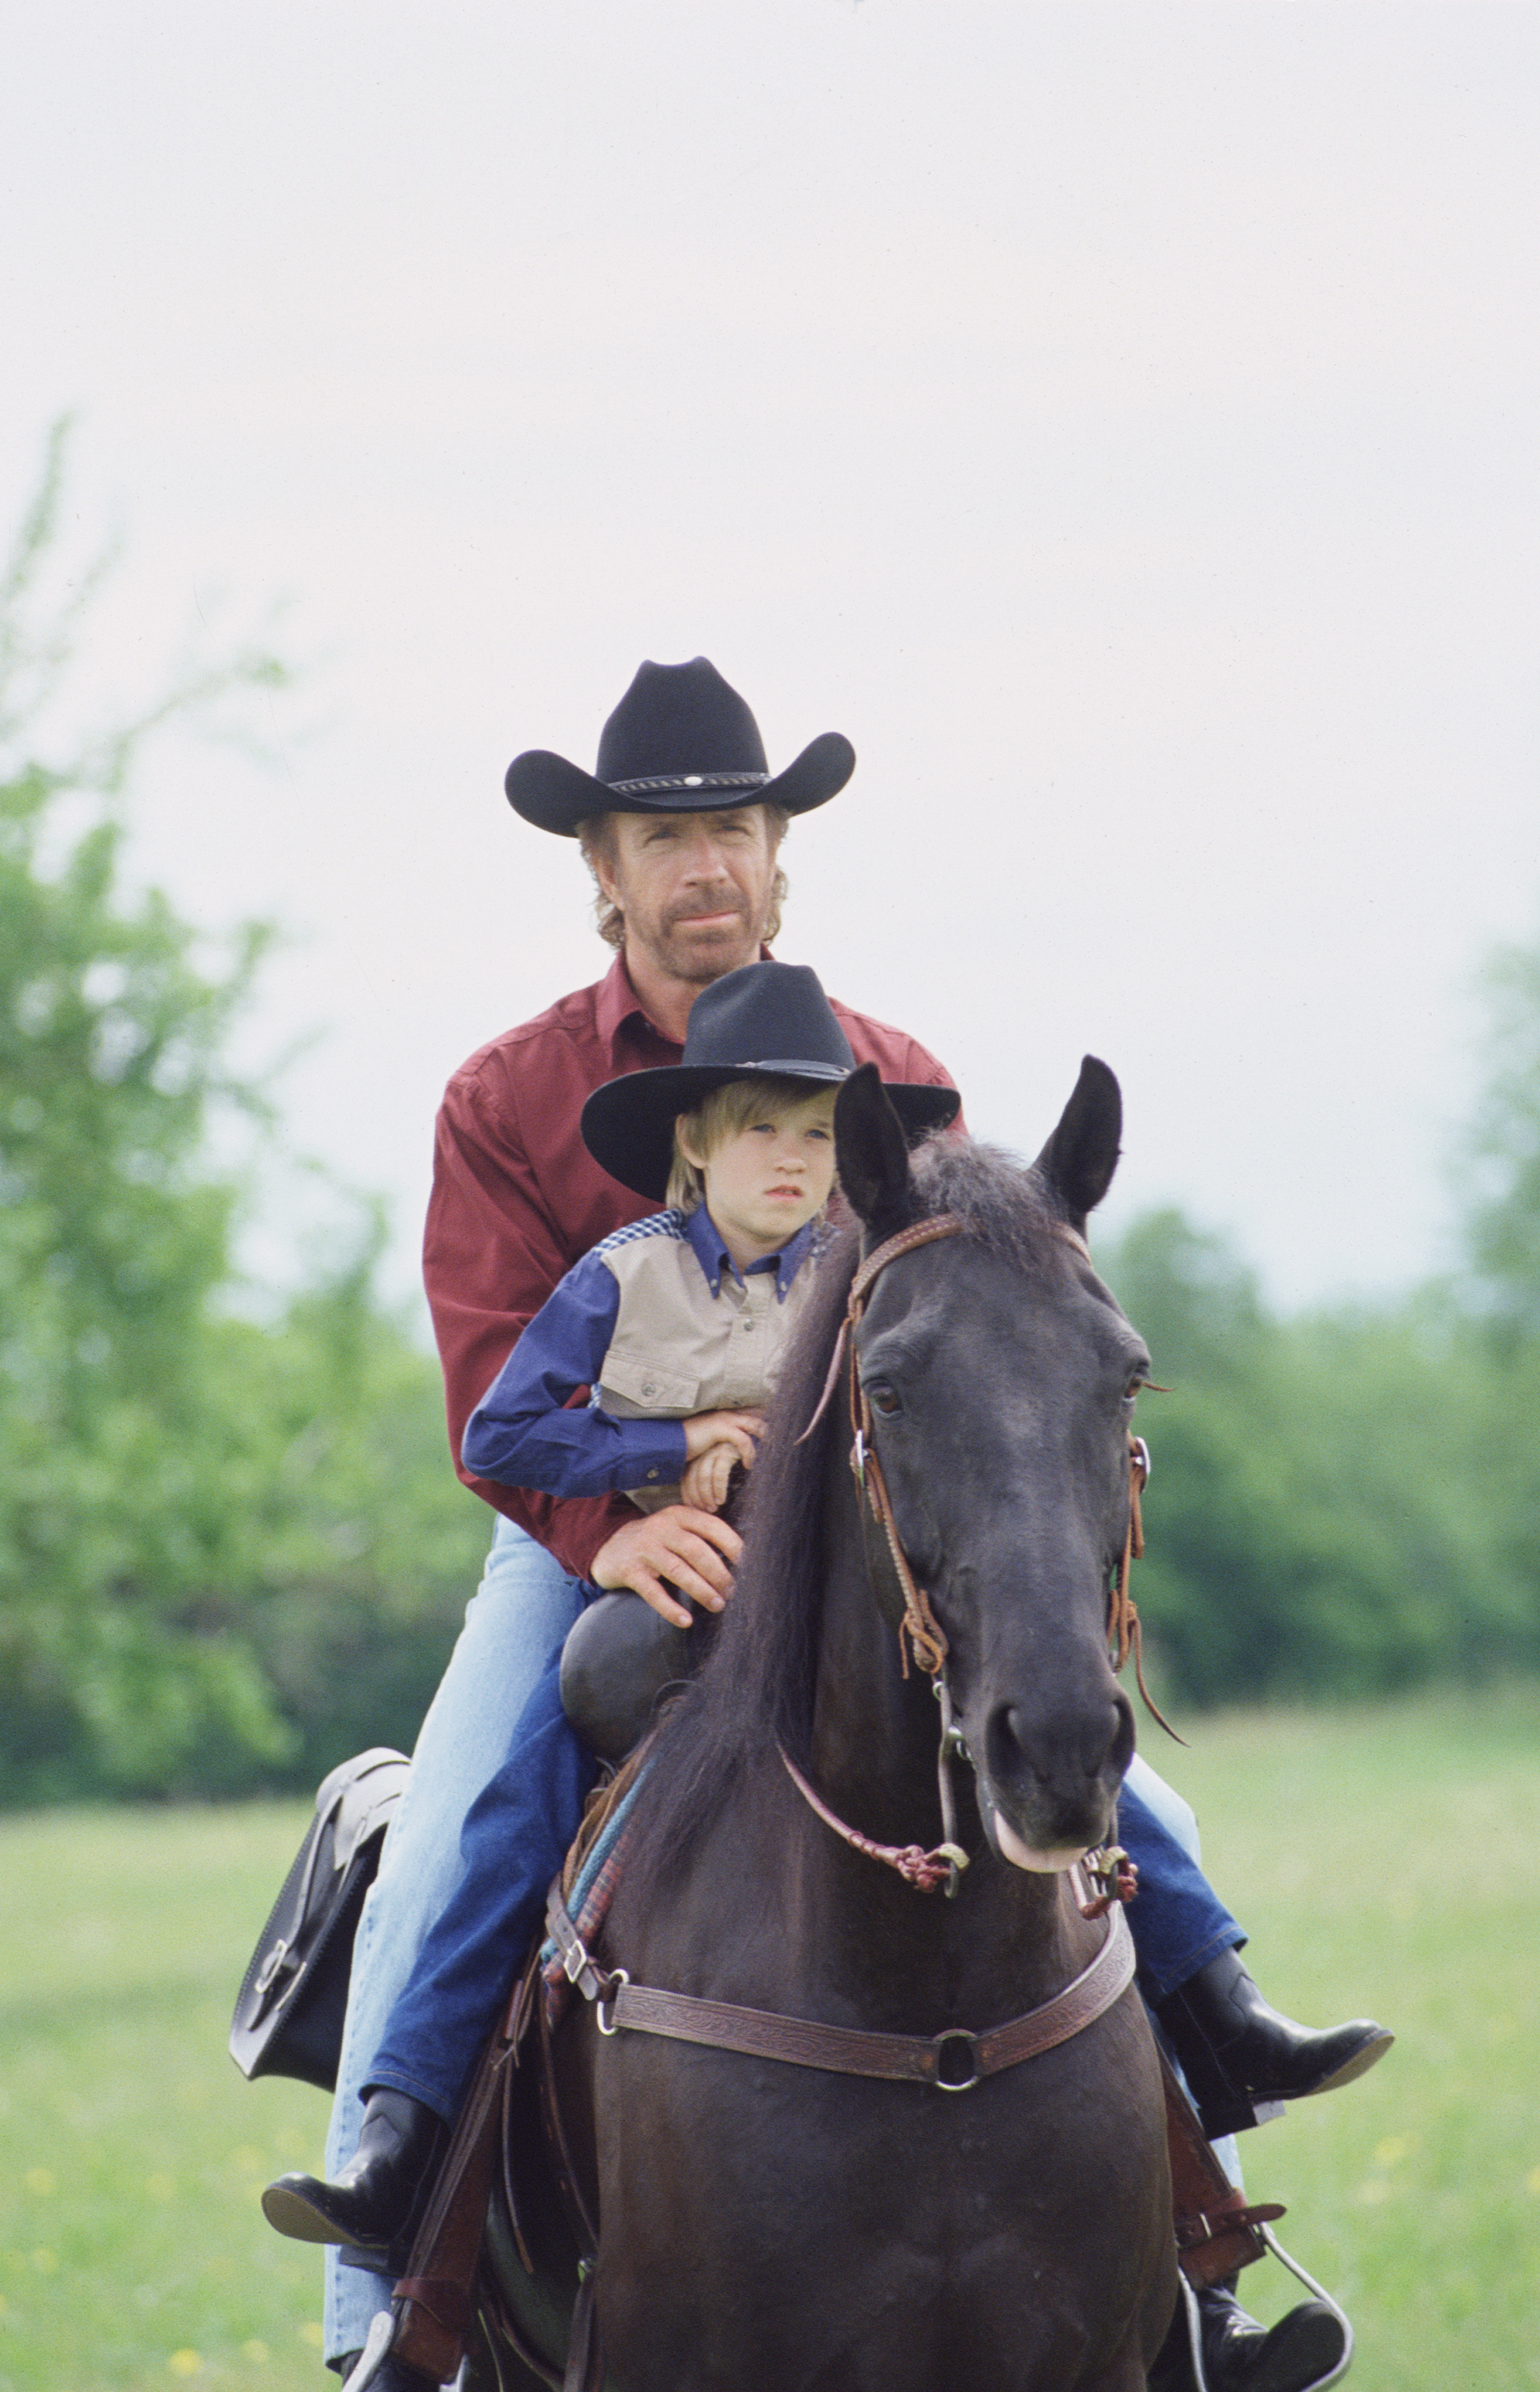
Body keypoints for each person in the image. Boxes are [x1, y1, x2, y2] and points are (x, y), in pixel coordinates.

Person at [279, 659, 1385, 2392]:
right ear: (604, 872)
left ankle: (1211, 2265)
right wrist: (611, 1527)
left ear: (782, 851)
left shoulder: (901, 1081)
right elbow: (492, 1382)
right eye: (665, 834)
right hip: (590, 1529)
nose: (704, 862)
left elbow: (961, 1347)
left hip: (857, 1532)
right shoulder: (504, 1100)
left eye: (735, 823)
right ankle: (384, 2308)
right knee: (465, 1819)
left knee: (1116, 1792)